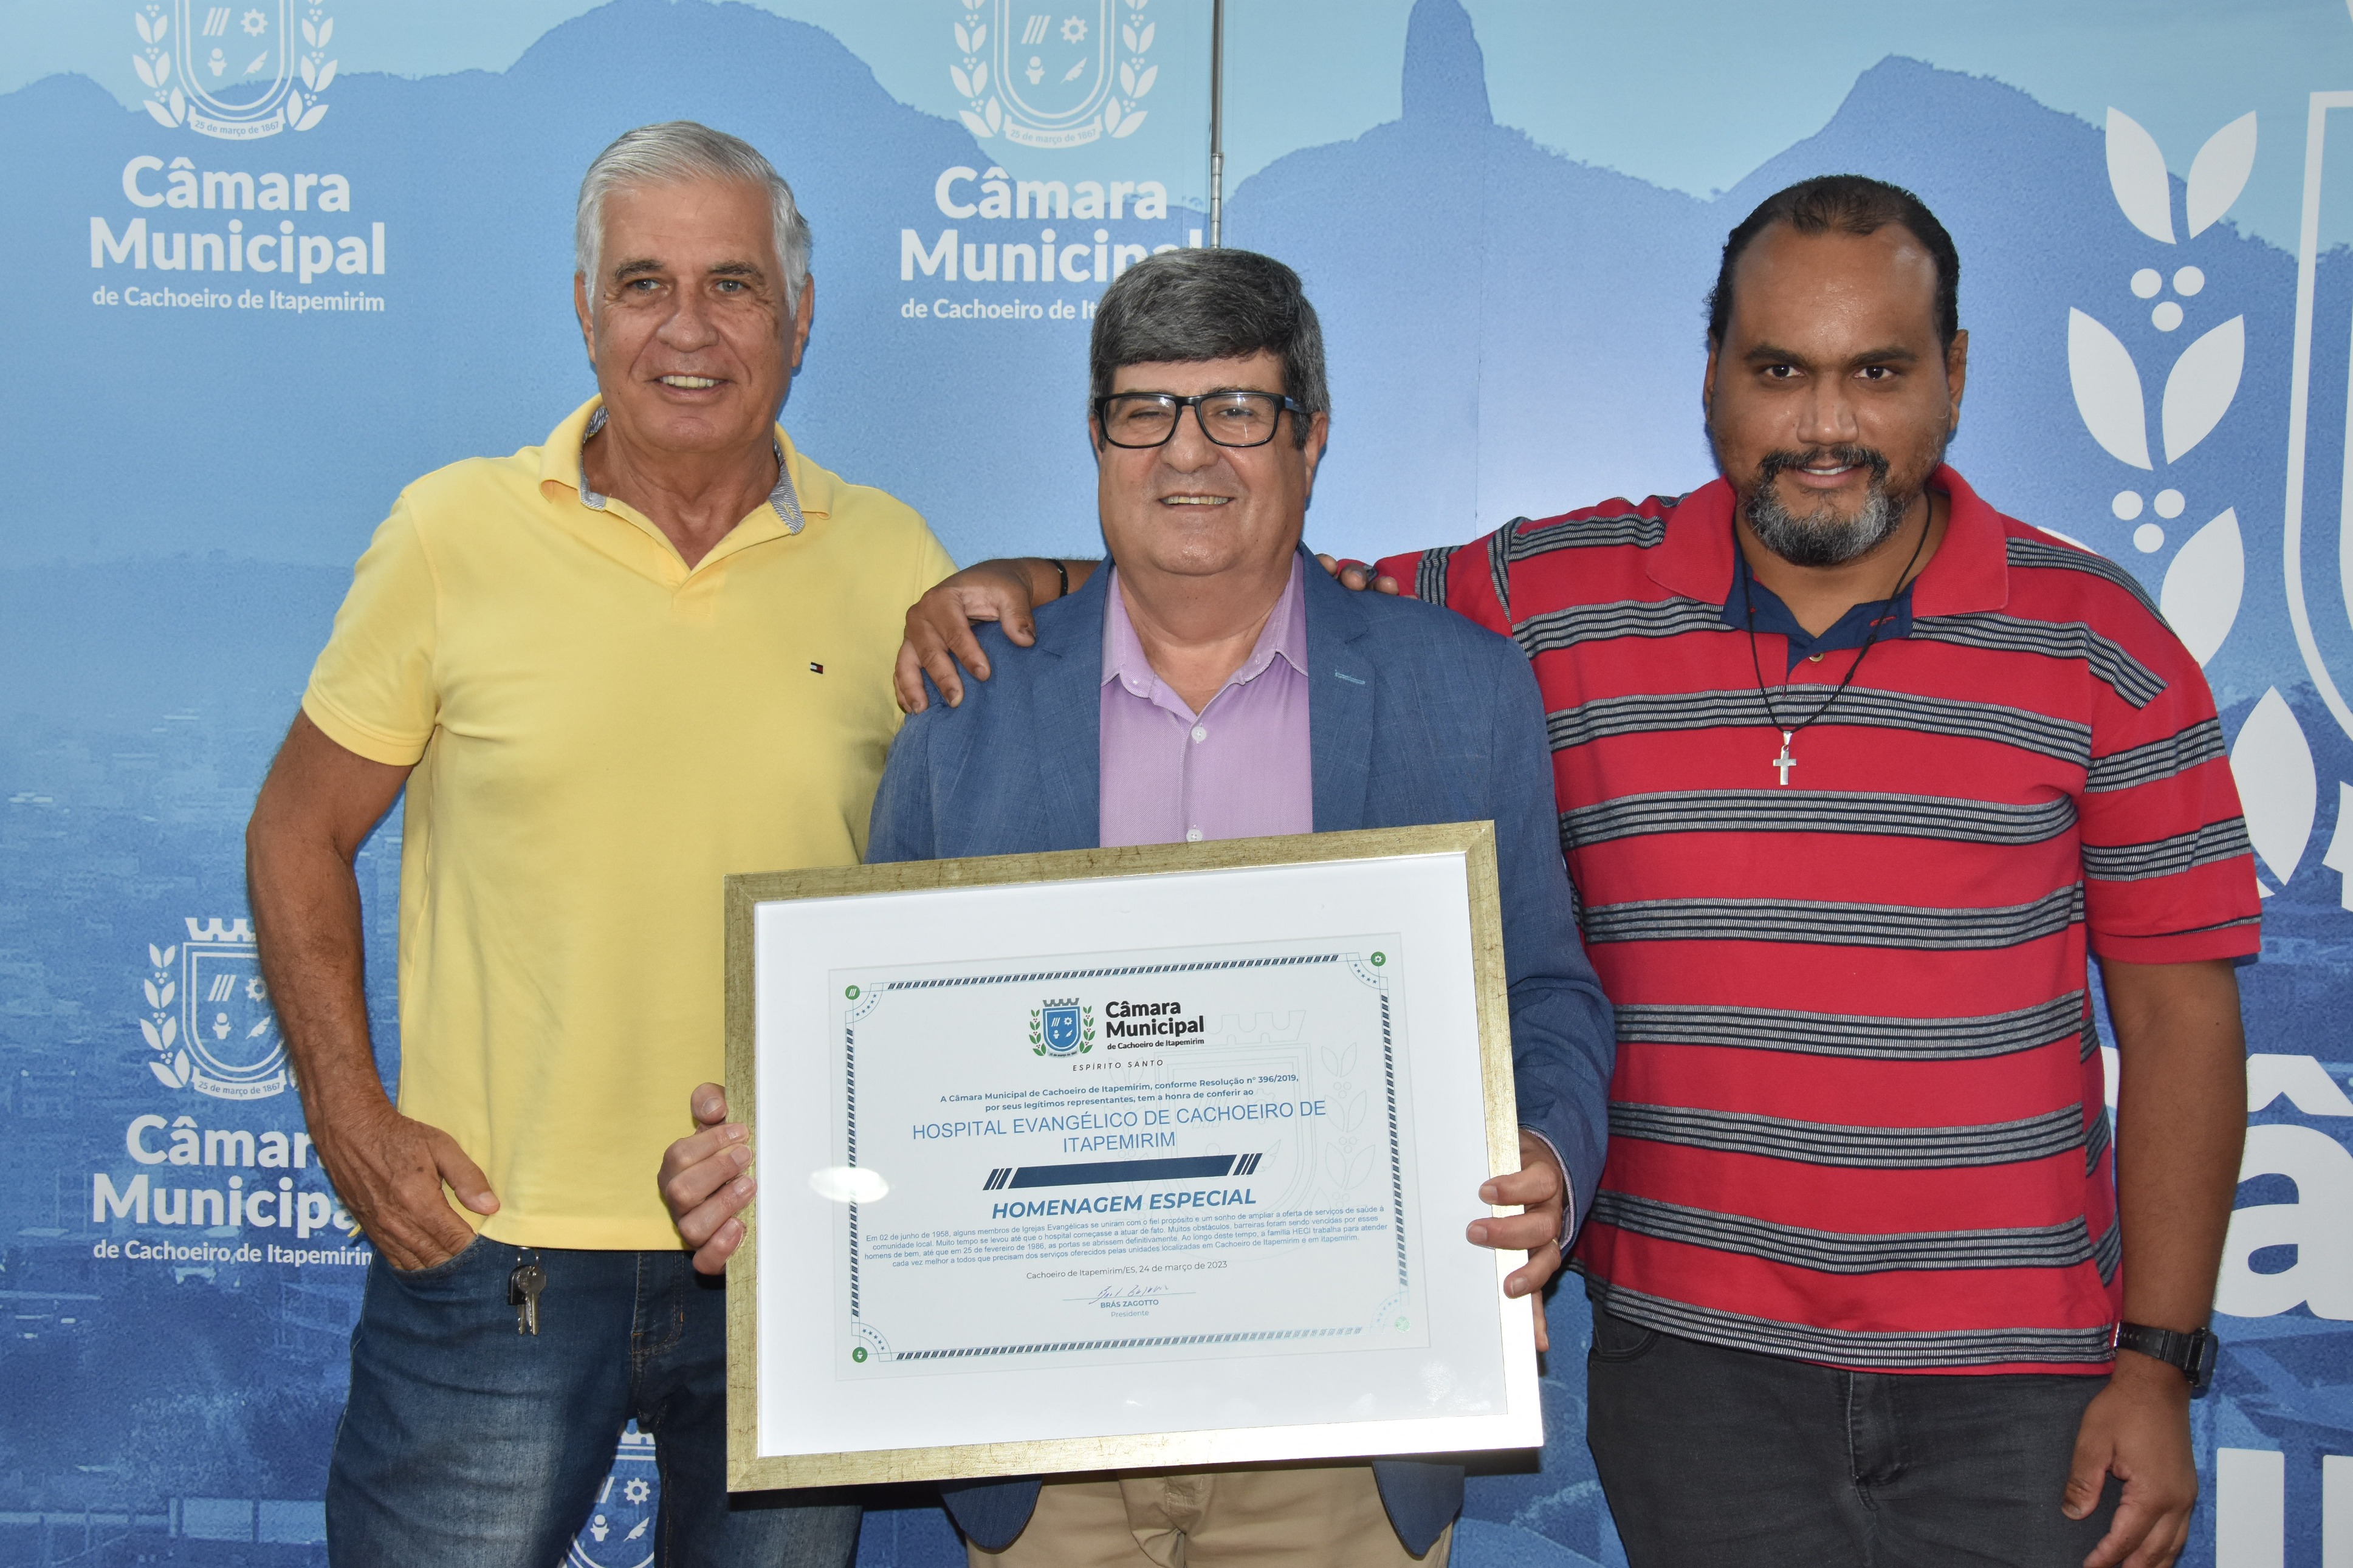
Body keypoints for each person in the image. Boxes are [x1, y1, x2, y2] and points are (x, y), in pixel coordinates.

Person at [890, 177, 2258, 1568]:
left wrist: (2158, 1361)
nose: (1824, 425)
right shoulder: (1553, 597)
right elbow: (1249, 572)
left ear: (1952, 375)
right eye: (1778, 370)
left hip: (2016, 1384)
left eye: (1877, 373)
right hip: (1697, 1375)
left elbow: (2181, 1023)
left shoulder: (2101, 642)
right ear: (1712, 376)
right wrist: (1038, 581)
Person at [658, 247, 1616, 1567]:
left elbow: (1547, 992)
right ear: (1097, 436)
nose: (1188, 452)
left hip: (1343, 1439)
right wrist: (775, 1163)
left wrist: (1547, 1154)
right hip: (1042, 1447)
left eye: (1238, 410)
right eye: (1144, 410)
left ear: (1311, 439)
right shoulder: (966, 706)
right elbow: (880, 1052)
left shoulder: (1460, 690)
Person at [244, 121, 955, 1567]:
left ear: (799, 315)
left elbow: (959, 893)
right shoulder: (449, 534)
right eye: (644, 284)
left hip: (791, 1251)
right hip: (490, 1249)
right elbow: (295, 830)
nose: (687, 328)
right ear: (586, 311)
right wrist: (351, 1122)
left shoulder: (895, 561)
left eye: (733, 284)